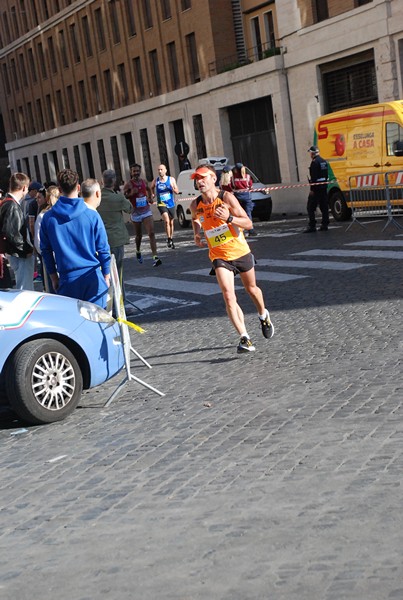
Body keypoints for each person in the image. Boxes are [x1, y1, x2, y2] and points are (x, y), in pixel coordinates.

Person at [190, 164, 274, 354]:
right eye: (197, 179)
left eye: (203, 177)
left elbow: (248, 223)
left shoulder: (226, 198)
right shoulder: (195, 204)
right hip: (219, 256)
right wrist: (196, 234)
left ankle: (263, 314)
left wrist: (229, 218)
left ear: (214, 179)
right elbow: (196, 218)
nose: (200, 181)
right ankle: (245, 337)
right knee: (228, 296)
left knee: (252, 290)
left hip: (239, 251)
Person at [40, 169, 111, 308]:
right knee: (97, 324)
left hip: (67, 278)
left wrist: (53, 277)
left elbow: (45, 251)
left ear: (59, 189)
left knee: (72, 327)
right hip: (92, 276)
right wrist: (106, 275)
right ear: (78, 188)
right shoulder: (92, 215)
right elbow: (103, 248)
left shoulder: (48, 218)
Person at [98, 169, 133, 286]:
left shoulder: (97, 198)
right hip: (116, 239)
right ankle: (119, 299)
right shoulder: (117, 198)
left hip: (101, 240)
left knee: (104, 272)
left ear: (102, 182)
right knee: (118, 272)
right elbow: (130, 209)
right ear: (114, 182)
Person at [0, 172, 34, 290]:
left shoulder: (7, 202)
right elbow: (12, 233)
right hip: (20, 255)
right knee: (25, 289)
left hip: (15, 253)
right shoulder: (11, 205)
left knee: (24, 287)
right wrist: (27, 250)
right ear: (24, 187)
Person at [123, 163, 161, 267]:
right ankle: (138, 250)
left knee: (151, 233)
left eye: (137, 171)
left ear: (140, 171)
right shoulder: (129, 184)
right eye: (134, 171)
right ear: (131, 172)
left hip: (146, 211)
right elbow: (125, 196)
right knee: (138, 236)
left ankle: (155, 257)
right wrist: (131, 193)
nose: (136, 173)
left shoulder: (143, 181)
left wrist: (149, 197)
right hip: (136, 213)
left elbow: (148, 189)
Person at [34, 185, 60, 292]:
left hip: (57, 257)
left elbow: (38, 240)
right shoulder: (43, 216)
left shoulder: (46, 215)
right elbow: (39, 241)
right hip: (53, 257)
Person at [151, 164, 179, 249]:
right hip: (161, 204)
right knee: (166, 221)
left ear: (165, 170)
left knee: (171, 222)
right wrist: (152, 194)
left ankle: (171, 238)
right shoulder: (156, 181)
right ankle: (168, 238)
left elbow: (177, 191)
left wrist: (173, 189)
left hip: (170, 203)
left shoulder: (171, 179)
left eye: (161, 169)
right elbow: (151, 187)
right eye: (158, 170)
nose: (160, 171)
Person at [304, 145, 329, 232]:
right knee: (324, 206)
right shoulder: (324, 161)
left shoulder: (314, 162)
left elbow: (314, 178)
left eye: (310, 153)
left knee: (310, 207)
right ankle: (325, 224)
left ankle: (312, 226)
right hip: (323, 187)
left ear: (312, 153)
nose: (310, 155)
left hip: (316, 188)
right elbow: (326, 175)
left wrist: (312, 190)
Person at [230, 162, 257, 236]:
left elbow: (232, 187)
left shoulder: (233, 177)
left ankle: (240, 231)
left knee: (238, 214)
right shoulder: (247, 176)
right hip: (247, 197)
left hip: (237, 197)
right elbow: (251, 186)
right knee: (248, 213)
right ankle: (251, 230)